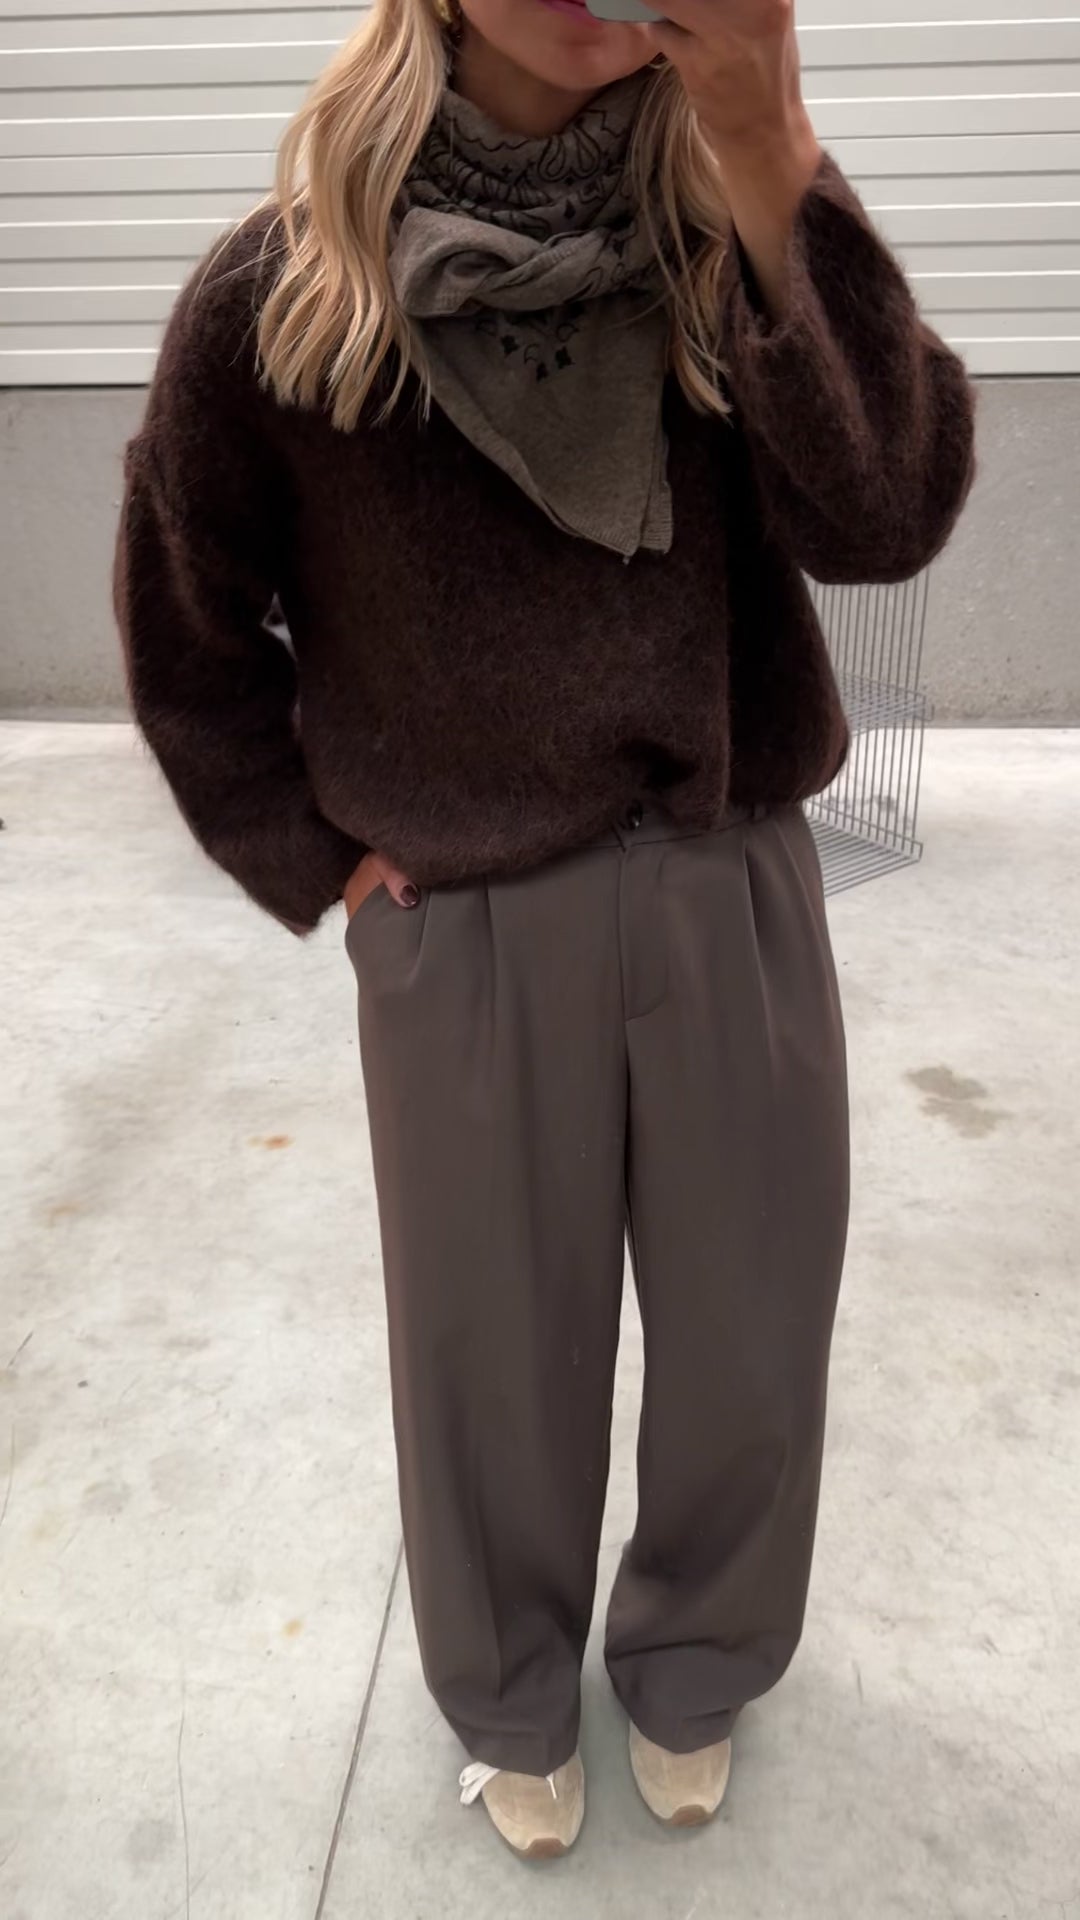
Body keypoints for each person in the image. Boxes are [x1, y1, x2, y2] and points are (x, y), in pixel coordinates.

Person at [114, 0, 976, 1863]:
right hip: (466, 921)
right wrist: (319, 855)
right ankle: (509, 1691)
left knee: (753, 1334)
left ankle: (701, 1658)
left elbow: (891, 515)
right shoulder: (292, 290)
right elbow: (188, 619)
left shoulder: (723, 228)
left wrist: (775, 152)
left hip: (729, 869)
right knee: (486, 1363)